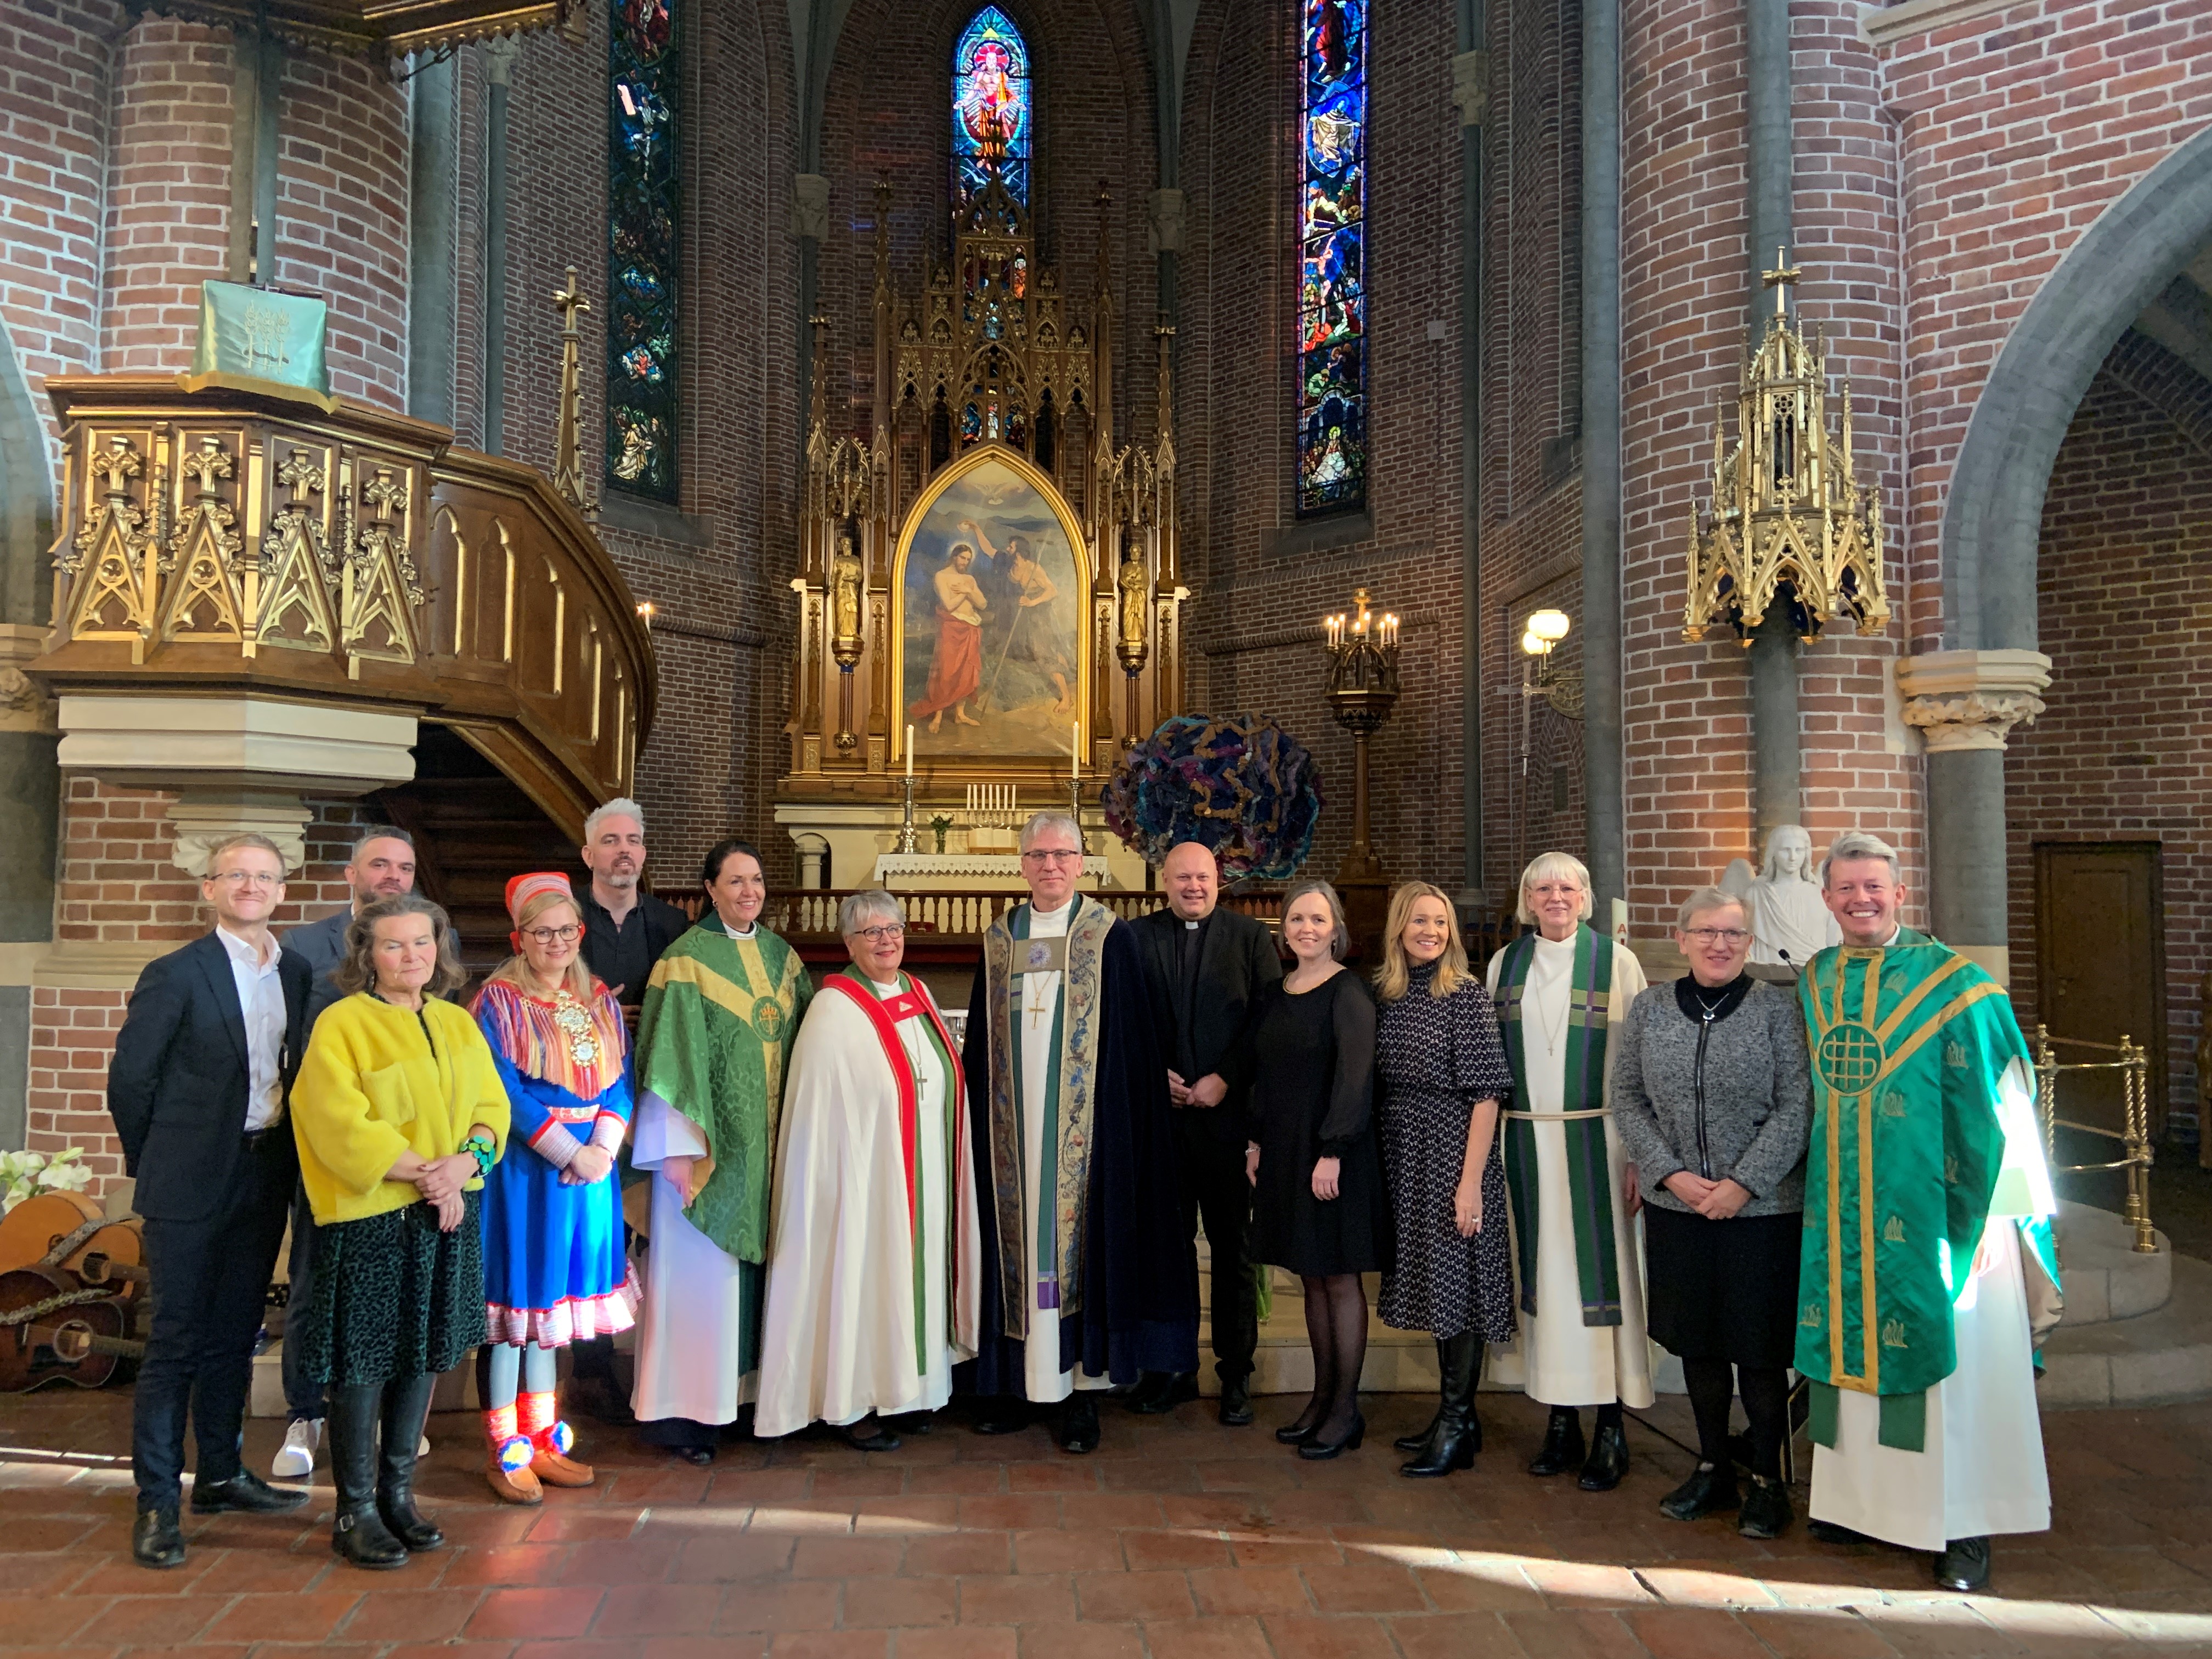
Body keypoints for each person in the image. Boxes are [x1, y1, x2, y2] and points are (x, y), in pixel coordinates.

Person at [1796, 831, 2057, 1593]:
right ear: (1827, 900)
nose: (1861, 900)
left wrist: (2004, 1220)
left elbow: (2007, 1104)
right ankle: (1860, 1506)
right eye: (1846, 889)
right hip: (1842, 1211)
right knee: (1850, 1347)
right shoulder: (1816, 981)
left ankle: (1963, 1523)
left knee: (1956, 1370)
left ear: (1901, 893)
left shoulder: (1962, 988)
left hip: (1949, 1216)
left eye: (1874, 886)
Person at [961, 811, 1198, 1454]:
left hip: (1082, 1137)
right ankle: (1016, 1383)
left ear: (1082, 861)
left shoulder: (1106, 937)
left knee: (1079, 1253)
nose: (1051, 867)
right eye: (1038, 856)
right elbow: (982, 1044)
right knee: (1017, 1251)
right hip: (1012, 1133)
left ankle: (1079, 1394)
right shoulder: (1000, 938)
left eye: (1063, 854)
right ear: (1022, 865)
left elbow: (1131, 1045)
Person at [108, 833, 315, 1570]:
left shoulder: (295, 971)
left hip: (264, 1172)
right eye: (237, 876)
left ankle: (221, 1476)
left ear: (281, 891)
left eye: (265, 877)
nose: (252, 887)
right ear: (211, 889)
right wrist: (160, 1158)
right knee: (176, 1342)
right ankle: (158, 1502)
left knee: (236, 1333)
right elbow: (131, 1082)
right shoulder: (176, 973)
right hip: (188, 1176)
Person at [290, 893, 509, 1569]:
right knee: (364, 1362)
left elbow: (490, 1107)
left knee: (423, 1352)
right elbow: (332, 1117)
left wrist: (465, 1163)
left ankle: (398, 1498)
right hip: (373, 1217)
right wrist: (428, 1175)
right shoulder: (343, 1023)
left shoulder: (455, 1022)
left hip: (445, 1213)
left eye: (422, 943)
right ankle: (353, 1510)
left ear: (438, 951)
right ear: (367, 956)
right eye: (393, 945)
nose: (410, 955)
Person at [1612, 885, 1812, 1539]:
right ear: (1683, 939)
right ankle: (1710, 1465)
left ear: (1748, 943)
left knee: (1756, 1349)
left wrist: (1743, 1184)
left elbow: (1797, 1106)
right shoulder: (1649, 1010)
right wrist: (1670, 1173)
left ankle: (1767, 1479)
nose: (1720, 944)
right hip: (1678, 1207)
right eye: (1707, 932)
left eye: (1733, 934)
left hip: (1761, 1212)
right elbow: (1629, 1096)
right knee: (1698, 1342)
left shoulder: (1775, 1011)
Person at [757, 891, 980, 1448]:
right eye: (871, 933)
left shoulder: (918, 992)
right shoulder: (835, 1009)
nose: (886, 941)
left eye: (894, 929)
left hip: (925, 1173)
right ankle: (852, 1400)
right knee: (866, 1277)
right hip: (864, 1182)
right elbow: (820, 1109)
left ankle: (911, 1391)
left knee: (914, 1277)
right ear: (849, 944)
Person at [629, 838, 812, 1464]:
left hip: (772, 1154)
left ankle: (756, 1397)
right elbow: (667, 1059)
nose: (749, 892)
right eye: (735, 882)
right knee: (702, 1281)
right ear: (710, 889)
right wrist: (677, 1151)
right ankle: (689, 1415)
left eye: (756, 881)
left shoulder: (784, 960)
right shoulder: (684, 962)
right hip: (706, 1153)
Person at [1486, 850, 1653, 1490]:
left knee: (1599, 1284)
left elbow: (1637, 1067)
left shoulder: (1617, 961)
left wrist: (1639, 1153)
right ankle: (1560, 1420)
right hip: (1526, 1143)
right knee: (1545, 1284)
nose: (1556, 898)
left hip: (1597, 1140)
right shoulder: (1506, 964)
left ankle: (1610, 1423)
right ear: (1528, 901)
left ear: (1586, 897)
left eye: (1568, 888)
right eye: (1543, 889)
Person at [472, 873, 639, 1504]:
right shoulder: (497, 1001)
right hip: (528, 1171)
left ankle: (542, 1441)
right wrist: (566, 1148)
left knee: (554, 1316)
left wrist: (602, 1148)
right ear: (520, 937)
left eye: (568, 930)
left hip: (588, 1174)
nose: (558, 942)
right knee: (519, 1310)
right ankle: (503, 1448)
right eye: (544, 932)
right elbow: (502, 1090)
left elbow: (620, 1079)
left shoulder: (594, 996)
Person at [272, 826, 418, 1481]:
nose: (393, 876)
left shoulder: (428, 946)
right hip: (331, 1146)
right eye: (379, 864)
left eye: (405, 867)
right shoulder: (304, 947)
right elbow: (291, 1051)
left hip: (408, 1155)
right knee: (316, 1281)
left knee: (392, 1288)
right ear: (351, 876)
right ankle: (306, 1412)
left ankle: (385, 1417)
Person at [1128, 840, 1283, 1425]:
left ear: (1219, 881)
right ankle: (1173, 1370)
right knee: (1167, 1253)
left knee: (1232, 1252)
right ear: (1163, 882)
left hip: (1226, 1124)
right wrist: (1152, 1074)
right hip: (1164, 1127)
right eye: (1182, 877)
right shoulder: (1138, 939)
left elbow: (1266, 1025)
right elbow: (1125, 1021)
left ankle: (1236, 1375)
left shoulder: (1249, 940)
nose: (1193, 886)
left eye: (1203, 877)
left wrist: (1225, 1077)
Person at [1373, 881, 1516, 1480]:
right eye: (1419, 921)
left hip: (1453, 1151)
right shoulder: (1389, 994)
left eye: (1440, 922)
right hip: (1404, 1148)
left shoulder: (1465, 994)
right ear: (1398, 928)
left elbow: (1487, 1096)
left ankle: (1457, 1424)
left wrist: (1470, 1184)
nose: (1430, 931)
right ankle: (1457, 1416)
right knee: (1436, 1285)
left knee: (1460, 1283)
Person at [1244, 879, 1388, 1459]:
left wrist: (1334, 1150)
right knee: (1308, 1275)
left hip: (1333, 1156)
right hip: (1284, 1151)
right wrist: (1254, 1141)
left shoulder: (1348, 992)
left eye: (1319, 920)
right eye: (1298, 918)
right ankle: (1321, 1398)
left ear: (1337, 929)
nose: (1307, 928)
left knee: (1338, 1277)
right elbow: (1262, 1073)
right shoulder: (1276, 993)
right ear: (1284, 927)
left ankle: (1345, 1409)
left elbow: (1357, 1078)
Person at [576, 799, 691, 1018]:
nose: (624, 849)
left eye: (633, 841)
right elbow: (532, 995)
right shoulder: (562, 918)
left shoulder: (673, 924)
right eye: (611, 841)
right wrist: (597, 1016)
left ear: (643, 854)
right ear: (588, 856)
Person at [910, 544, 990, 732]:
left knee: (965, 672)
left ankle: (960, 715)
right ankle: (938, 715)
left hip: (969, 626)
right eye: (962, 558)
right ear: (955, 557)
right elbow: (949, 605)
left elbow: (983, 604)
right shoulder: (942, 576)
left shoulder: (969, 579)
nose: (965, 562)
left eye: (968, 559)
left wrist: (969, 590)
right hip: (951, 627)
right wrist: (965, 593)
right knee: (946, 670)